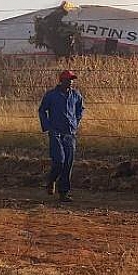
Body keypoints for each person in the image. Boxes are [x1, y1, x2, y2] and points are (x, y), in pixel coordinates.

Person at [38, 70, 84, 202]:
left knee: (68, 163)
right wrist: (47, 127)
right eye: (68, 79)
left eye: (71, 79)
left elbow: (80, 109)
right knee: (59, 160)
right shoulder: (51, 95)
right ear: (61, 80)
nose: (70, 82)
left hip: (70, 133)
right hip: (56, 133)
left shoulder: (75, 95)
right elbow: (42, 110)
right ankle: (51, 180)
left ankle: (64, 193)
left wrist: (75, 122)